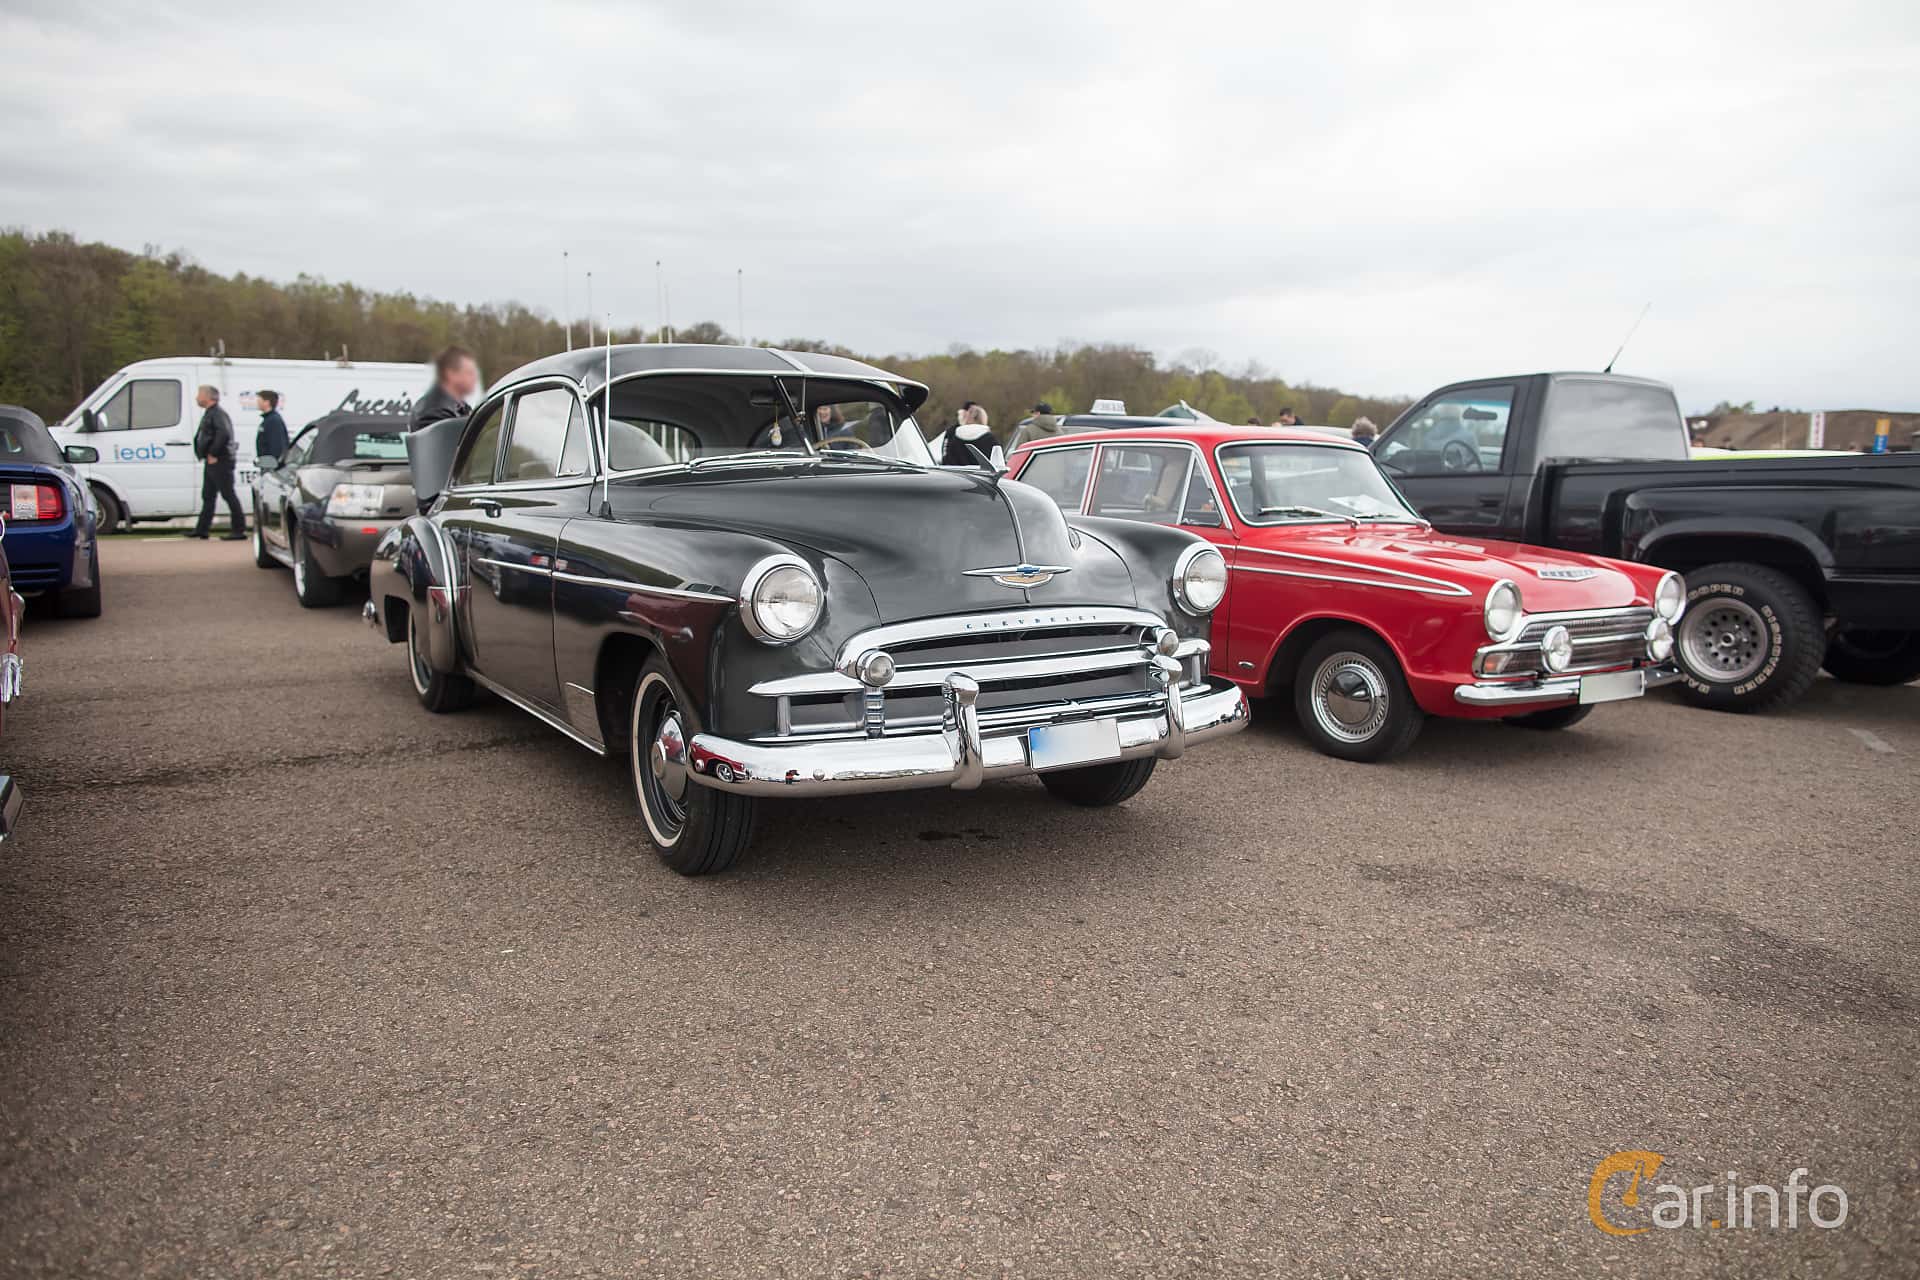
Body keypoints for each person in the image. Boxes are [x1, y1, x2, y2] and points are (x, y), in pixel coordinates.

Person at [189, 385, 247, 541]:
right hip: (211, 461)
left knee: (228, 494)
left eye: (199, 394)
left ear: (208, 397)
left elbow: (224, 433)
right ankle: (202, 529)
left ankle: (239, 530)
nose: (196, 398)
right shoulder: (210, 413)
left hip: (220, 461)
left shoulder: (218, 414)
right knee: (208, 496)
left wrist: (213, 453)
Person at [411, 346, 480, 430]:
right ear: (451, 374)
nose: (475, 378)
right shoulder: (434, 412)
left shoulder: (460, 407)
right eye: (469, 373)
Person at [939, 403, 1006, 469]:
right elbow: (998, 464)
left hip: (957, 477)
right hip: (981, 478)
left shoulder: (954, 437)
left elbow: (947, 461)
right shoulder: (990, 439)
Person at [255, 389, 289, 459]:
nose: (257, 403)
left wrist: (273, 465)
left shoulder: (273, 421)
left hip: (271, 466)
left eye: (259, 401)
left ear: (267, 402)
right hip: (266, 464)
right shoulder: (268, 419)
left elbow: (277, 446)